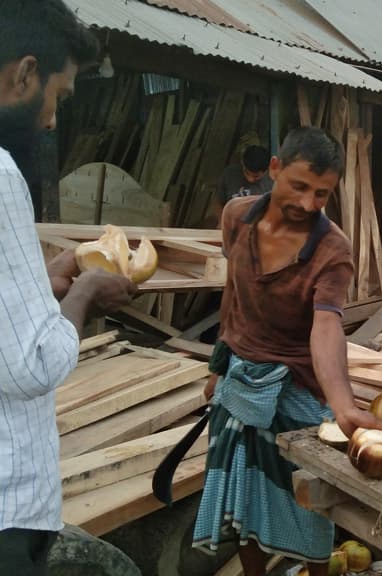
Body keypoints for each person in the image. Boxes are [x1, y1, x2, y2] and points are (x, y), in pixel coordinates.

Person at [193, 127, 382, 576]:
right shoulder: (236, 216)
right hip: (239, 382)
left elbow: (326, 326)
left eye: (321, 194)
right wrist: (218, 363)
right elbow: (233, 294)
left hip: (296, 386)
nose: (307, 203)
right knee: (243, 502)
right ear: (274, 170)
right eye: (299, 186)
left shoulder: (332, 250)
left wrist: (342, 404)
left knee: (309, 510)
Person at [0, 1, 137, 573]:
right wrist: (84, 296)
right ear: (24, 74)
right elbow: (31, 365)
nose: (53, 118)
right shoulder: (2, 174)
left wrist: (44, 288)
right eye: (59, 94)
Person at [209, 145, 273, 226]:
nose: (250, 179)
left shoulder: (273, 182)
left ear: (266, 171)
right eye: (246, 172)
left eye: (256, 176)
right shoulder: (229, 175)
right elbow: (218, 201)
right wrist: (222, 221)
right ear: (242, 163)